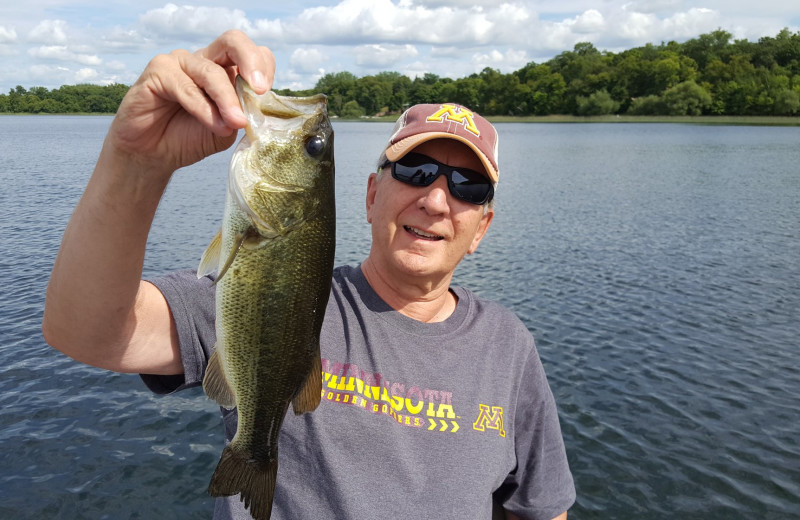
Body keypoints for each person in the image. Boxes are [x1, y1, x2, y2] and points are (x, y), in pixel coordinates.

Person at [42, 30, 575, 520]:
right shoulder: (302, 298)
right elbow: (85, 331)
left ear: (482, 227)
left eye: (468, 187)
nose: (437, 199)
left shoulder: (509, 348)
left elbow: (540, 508)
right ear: (371, 196)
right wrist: (134, 163)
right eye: (416, 171)